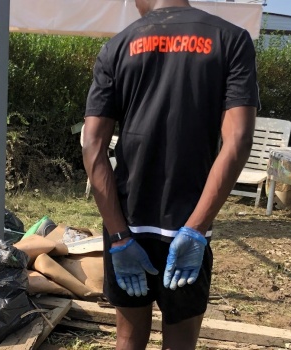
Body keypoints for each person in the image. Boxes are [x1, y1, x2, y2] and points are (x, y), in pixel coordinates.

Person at [82, 0, 259, 349]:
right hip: (189, 221)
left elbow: (91, 145)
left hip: (128, 222)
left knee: (128, 339)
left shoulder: (117, 46)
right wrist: (196, 228)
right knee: (180, 340)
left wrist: (119, 236)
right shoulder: (231, 39)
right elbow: (237, 140)